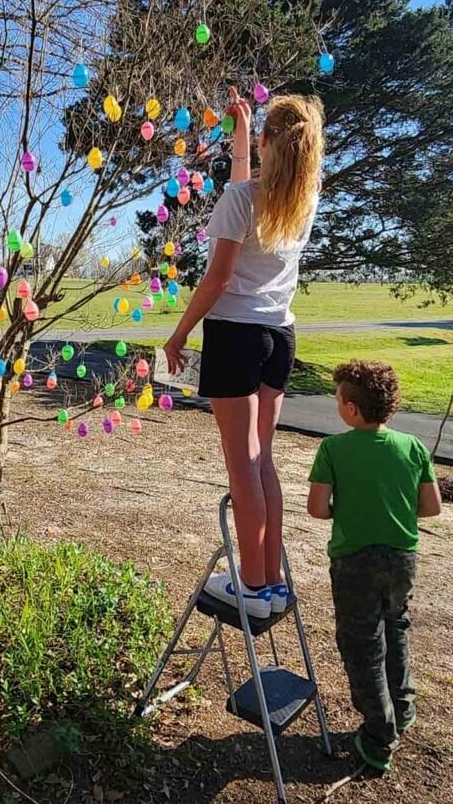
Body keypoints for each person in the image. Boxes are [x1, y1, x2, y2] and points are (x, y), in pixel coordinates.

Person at [164, 87, 324, 618]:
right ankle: (270, 579)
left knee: (243, 467)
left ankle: (252, 586)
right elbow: (243, 182)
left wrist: (180, 332)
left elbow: (219, 276)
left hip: (234, 335)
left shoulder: (241, 201)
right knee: (264, 461)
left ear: (269, 145)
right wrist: (242, 126)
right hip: (280, 338)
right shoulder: (300, 201)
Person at [307, 360, 441, 772]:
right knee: (395, 626)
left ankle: (379, 737)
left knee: (362, 643)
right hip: (403, 558)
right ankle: (402, 708)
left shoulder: (333, 449)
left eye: (337, 399)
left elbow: (317, 509)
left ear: (350, 408)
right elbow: (431, 507)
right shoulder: (413, 447)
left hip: (354, 560)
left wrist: (347, 509)